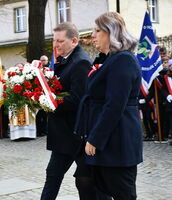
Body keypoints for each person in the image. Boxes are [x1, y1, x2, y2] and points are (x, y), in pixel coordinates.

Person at [41, 22, 104, 200]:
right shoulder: (65, 59)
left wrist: (48, 102)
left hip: (75, 134)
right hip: (64, 133)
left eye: (60, 41)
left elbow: (79, 99)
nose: (56, 45)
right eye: (54, 40)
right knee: (56, 176)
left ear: (74, 40)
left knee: (87, 181)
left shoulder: (80, 62)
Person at [84, 12, 143, 200]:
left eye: (97, 30)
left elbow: (114, 105)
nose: (93, 35)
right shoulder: (111, 59)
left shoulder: (123, 60)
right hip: (111, 140)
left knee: (123, 194)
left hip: (118, 140)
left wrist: (95, 139)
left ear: (111, 32)